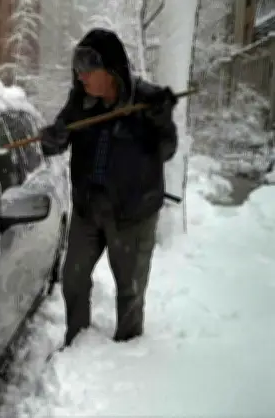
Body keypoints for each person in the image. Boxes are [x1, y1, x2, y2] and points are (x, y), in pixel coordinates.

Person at [39, 28, 178, 347]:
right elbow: (59, 139)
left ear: (111, 69)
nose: (81, 76)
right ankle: (77, 340)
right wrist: (53, 139)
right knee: (73, 278)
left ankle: (126, 352)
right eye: (78, 69)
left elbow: (167, 149)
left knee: (129, 289)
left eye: (88, 69)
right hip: (89, 210)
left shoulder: (146, 101)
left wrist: (160, 120)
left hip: (133, 214)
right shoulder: (80, 101)